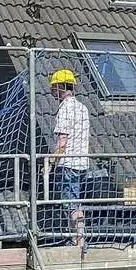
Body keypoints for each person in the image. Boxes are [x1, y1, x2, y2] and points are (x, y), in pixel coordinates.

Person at [48, 68, 91, 244]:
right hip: (82, 163)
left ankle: (80, 239)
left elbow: (62, 142)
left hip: (69, 165)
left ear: (59, 87)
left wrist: (50, 162)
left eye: (53, 88)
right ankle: (75, 237)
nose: (51, 92)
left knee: (72, 205)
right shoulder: (83, 108)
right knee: (74, 202)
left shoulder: (65, 110)